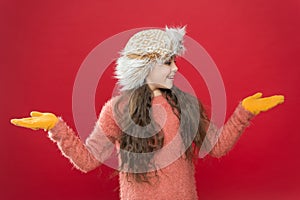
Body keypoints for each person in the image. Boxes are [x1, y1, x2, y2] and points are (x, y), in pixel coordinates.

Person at [11, 26, 284, 200]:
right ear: (145, 67)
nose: (175, 68)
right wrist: (55, 128)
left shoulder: (185, 105)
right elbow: (88, 160)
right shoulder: (118, 110)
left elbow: (218, 146)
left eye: (174, 60)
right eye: (167, 62)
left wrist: (245, 112)